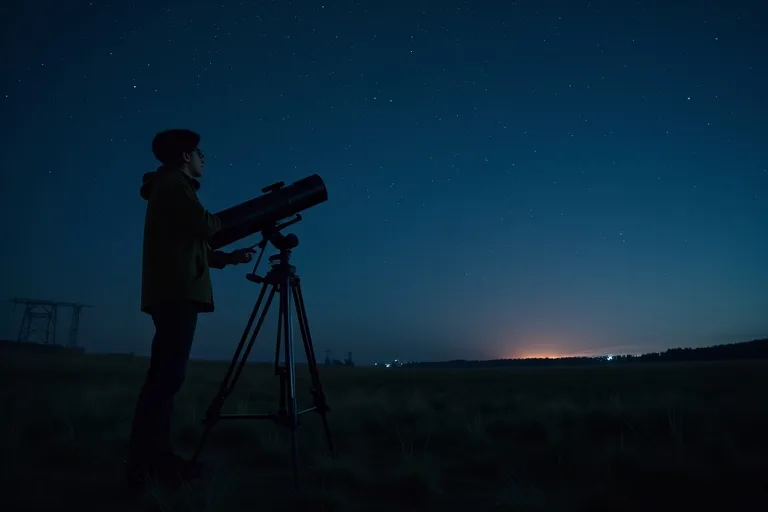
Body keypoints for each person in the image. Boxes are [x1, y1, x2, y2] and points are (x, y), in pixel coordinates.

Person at [124, 129, 254, 490]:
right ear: (184, 157)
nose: (203, 159)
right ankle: (145, 466)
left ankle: (157, 460)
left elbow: (190, 242)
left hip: (173, 291)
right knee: (165, 381)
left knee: (165, 380)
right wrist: (228, 222)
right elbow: (202, 225)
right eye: (199, 153)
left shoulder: (169, 188)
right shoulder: (173, 186)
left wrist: (226, 257)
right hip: (176, 293)